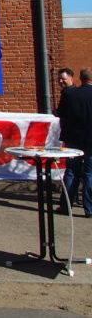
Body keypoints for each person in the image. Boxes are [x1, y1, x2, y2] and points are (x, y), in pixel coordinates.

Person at [57, 67, 92, 216]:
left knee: (71, 172)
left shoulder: (70, 94)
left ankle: (66, 206)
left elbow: (61, 113)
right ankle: (90, 209)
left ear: (79, 78)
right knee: (90, 174)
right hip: (91, 139)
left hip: (73, 139)